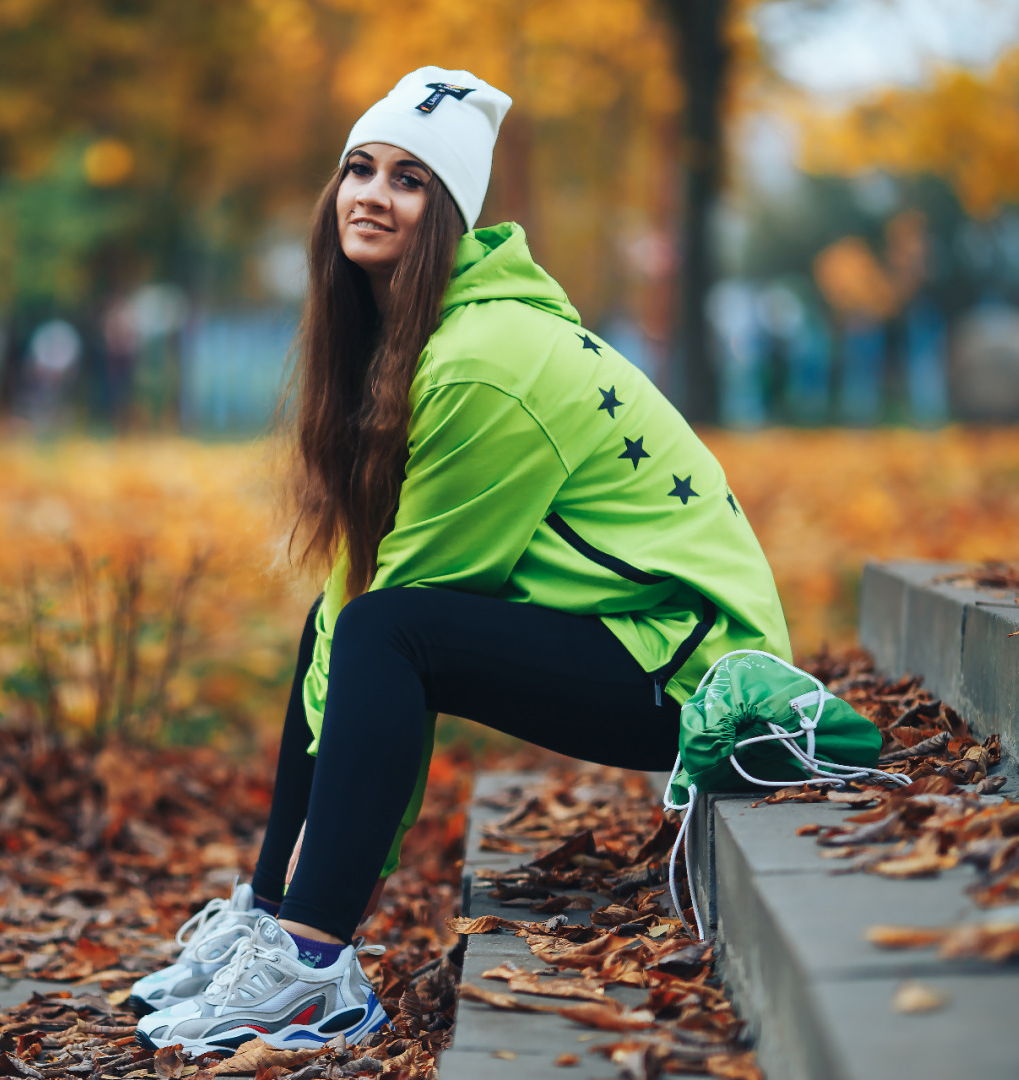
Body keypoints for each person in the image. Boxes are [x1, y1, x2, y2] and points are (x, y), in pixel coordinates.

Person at [130, 66, 791, 1057]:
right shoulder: (413, 337)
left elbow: (404, 627)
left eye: (408, 180)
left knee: (383, 631)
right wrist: (289, 878)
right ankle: (272, 924)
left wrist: (340, 860)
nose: (371, 194)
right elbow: (356, 600)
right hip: (631, 633)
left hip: (704, 678)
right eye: (359, 169)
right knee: (340, 617)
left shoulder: (483, 361)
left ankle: (308, 965)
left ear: (446, 215)